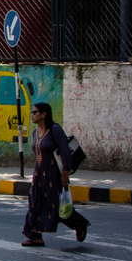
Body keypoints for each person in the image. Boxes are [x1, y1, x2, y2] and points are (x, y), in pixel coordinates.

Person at [22, 102, 91, 246]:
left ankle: (79, 223)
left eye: (35, 112)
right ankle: (35, 236)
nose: (32, 115)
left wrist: (65, 172)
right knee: (34, 202)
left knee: (55, 205)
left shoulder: (55, 129)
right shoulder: (35, 132)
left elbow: (64, 150)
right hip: (39, 174)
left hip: (53, 174)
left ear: (44, 114)